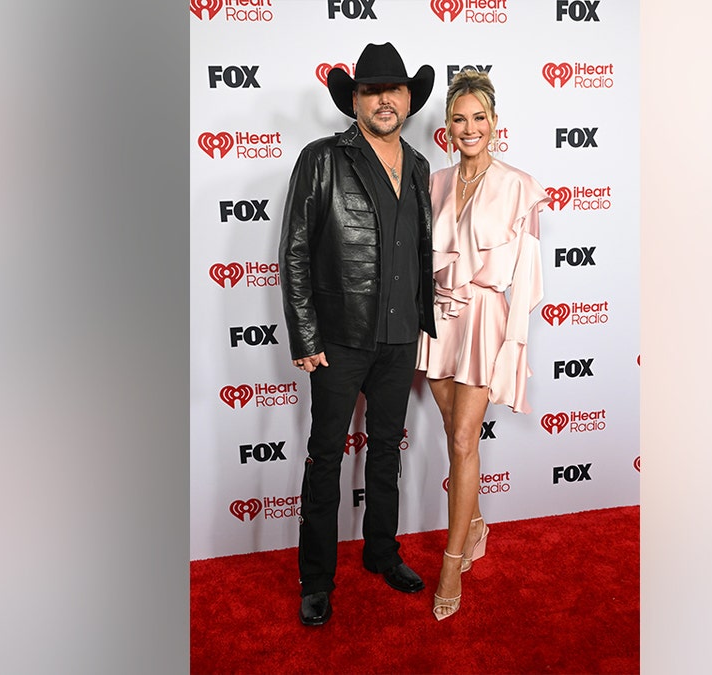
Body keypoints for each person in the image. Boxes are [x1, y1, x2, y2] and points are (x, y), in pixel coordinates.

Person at [278, 42, 437, 627]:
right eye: (371, 90)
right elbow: (294, 249)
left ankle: (381, 551)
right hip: (339, 339)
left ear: (407, 99)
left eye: (393, 89)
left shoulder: (419, 167)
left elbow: (417, 251)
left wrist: (426, 323)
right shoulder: (321, 158)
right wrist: (304, 334)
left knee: (386, 453)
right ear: (354, 99)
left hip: (399, 339)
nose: (384, 100)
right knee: (325, 459)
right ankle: (316, 578)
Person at [415, 70, 549, 621]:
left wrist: (513, 346)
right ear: (447, 126)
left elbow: (530, 277)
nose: (469, 127)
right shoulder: (436, 181)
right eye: (459, 118)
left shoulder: (519, 183)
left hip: (483, 321)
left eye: (479, 118)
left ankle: (452, 561)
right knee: (452, 431)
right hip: (439, 317)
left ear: (495, 124)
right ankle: (474, 523)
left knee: (466, 439)